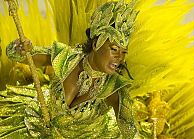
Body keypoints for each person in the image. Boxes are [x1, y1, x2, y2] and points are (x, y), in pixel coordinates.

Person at [1, 1, 169, 138]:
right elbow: (19, 56)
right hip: (37, 124)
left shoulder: (113, 88)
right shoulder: (66, 57)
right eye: (114, 49)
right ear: (96, 44)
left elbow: (129, 129)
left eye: (124, 52)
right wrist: (22, 48)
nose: (120, 57)